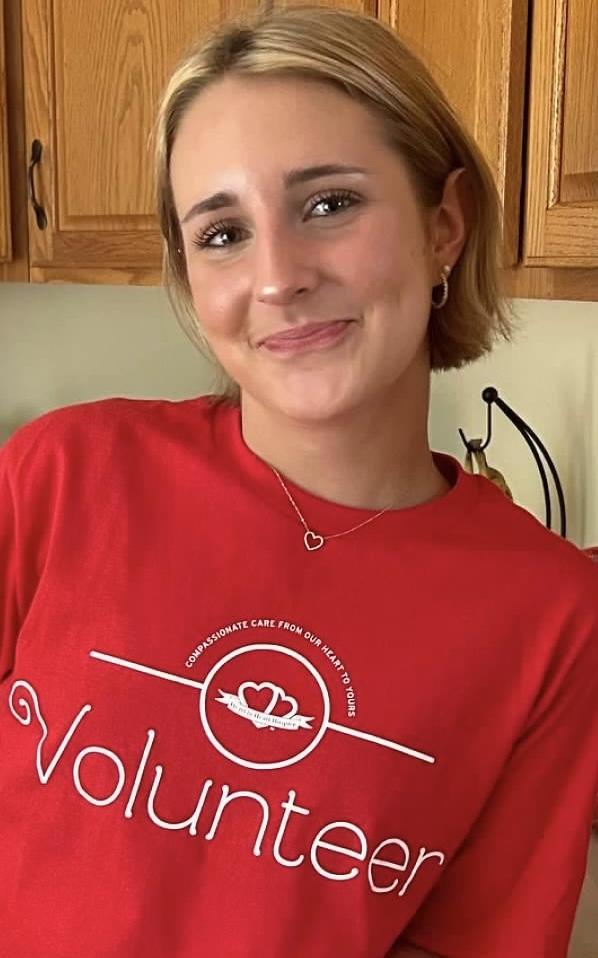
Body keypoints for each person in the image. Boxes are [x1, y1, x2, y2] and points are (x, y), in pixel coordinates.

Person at [1, 5, 597, 957]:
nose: (277, 277)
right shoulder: (63, 474)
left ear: (444, 225)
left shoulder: (555, 619)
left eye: (329, 205)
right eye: (223, 233)